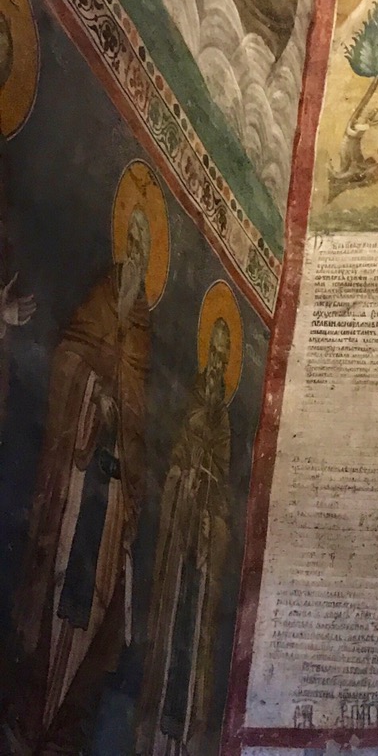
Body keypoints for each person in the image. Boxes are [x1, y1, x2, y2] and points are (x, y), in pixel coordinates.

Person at [7, 210, 152, 754]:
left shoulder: (141, 327)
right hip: (75, 483)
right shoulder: (101, 299)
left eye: (144, 243)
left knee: (95, 609)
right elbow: (68, 356)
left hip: (109, 497)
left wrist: (125, 443)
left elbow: (139, 420)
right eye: (131, 237)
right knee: (57, 591)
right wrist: (96, 398)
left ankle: (66, 724)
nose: (135, 250)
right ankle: (33, 711)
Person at [136, 319, 233, 756]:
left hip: (200, 552)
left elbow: (224, 489)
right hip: (178, 546)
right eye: (213, 353)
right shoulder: (189, 399)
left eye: (224, 358)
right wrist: (184, 478)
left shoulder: (223, 422)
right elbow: (173, 458)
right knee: (169, 629)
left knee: (193, 642)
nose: (217, 364)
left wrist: (212, 516)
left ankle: (182, 737)